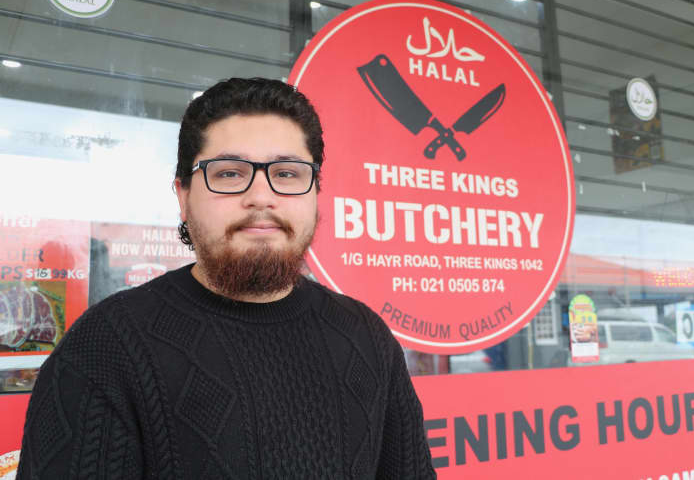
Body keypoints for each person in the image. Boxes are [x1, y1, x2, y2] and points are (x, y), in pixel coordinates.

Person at [17, 78, 436, 479]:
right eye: (229, 173)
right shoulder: (105, 348)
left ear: (314, 193)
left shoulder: (365, 336)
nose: (261, 196)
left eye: (287, 174)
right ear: (183, 196)